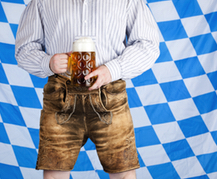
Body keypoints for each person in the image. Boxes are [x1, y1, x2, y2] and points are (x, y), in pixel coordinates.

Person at [15, 0, 160, 178]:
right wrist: (48, 62)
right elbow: (24, 48)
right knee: (54, 173)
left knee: (123, 172)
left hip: (110, 96)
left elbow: (148, 43)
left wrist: (112, 70)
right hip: (61, 95)